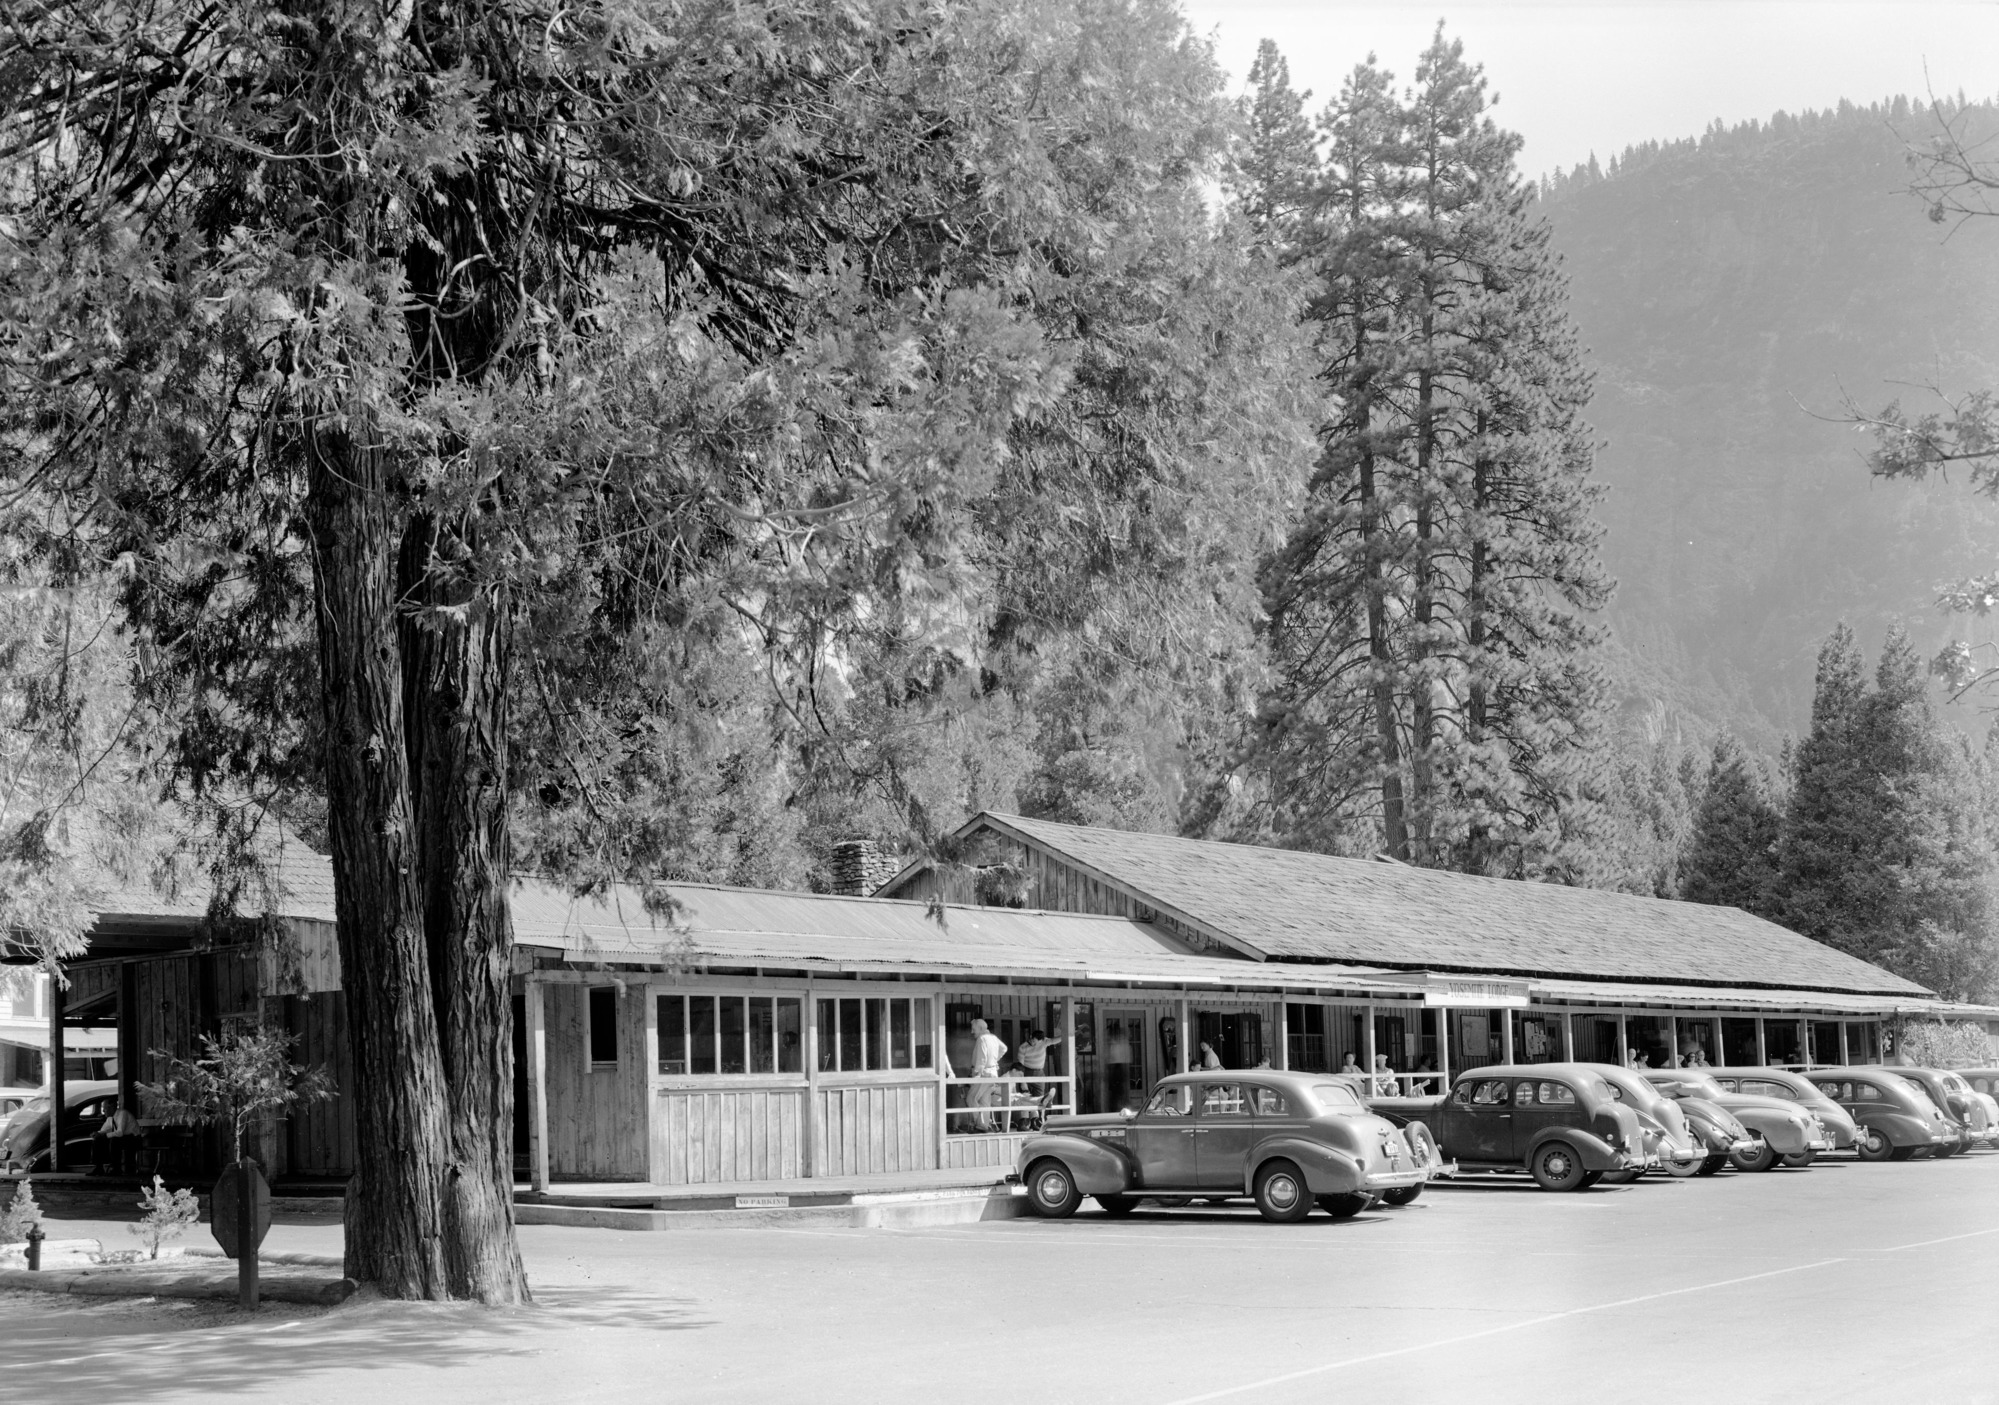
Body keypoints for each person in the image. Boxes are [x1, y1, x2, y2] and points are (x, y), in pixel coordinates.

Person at [968, 1019, 1006, 1133]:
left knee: (971, 1098)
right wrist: (994, 1061)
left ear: (980, 1029)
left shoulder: (982, 1038)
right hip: (993, 1073)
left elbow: (982, 1058)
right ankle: (983, 1126)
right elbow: (1004, 1048)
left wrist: (976, 1073)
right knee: (985, 1101)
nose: (971, 1032)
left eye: (973, 1029)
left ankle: (979, 1124)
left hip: (984, 1074)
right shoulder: (993, 1038)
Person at [1015, 1027, 1066, 1108]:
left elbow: (1054, 1041)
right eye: (1032, 1039)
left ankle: (1039, 1118)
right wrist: (1022, 1081)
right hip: (1026, 1072)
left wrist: (1066, 1034)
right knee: (1025, 1097)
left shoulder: (1045, 1041)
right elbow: (1020, 1066)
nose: (1032, 1042)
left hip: (1039, 1073)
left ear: (1041, 1041)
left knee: (1040, 1097)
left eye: (1035, 1041)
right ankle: (1025, 1119)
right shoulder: (1023, 1047)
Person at [92, 1099, 141, 1176]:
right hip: (123, 1138)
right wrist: (97, 1134)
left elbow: (120, 1132)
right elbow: (104, 1130)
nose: (104, 1111)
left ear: (111, 1107)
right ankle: (99, 1168)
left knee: (115, 1140)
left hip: (134, 1139)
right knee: (98, 1139)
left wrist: (105, 1135)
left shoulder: (122, 1114)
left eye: (104, 1109)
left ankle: (116, 1168)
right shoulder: (110, 1118)